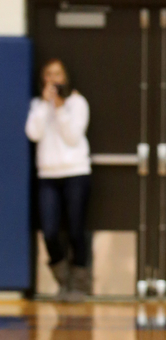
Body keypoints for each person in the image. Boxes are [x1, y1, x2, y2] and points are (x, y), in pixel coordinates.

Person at [25, 59, 92, 300]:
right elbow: (33, 133)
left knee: (76, 229)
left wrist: (61, 107)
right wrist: (46, 104)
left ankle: (81, 285)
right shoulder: (37, 104)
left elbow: (73, 137)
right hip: (48, 175)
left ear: (65, 76)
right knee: (50, 231)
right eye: (48, 74)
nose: (53, 79)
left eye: (58, 74)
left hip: (76, 172)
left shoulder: (77, 102)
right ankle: (63, 281)